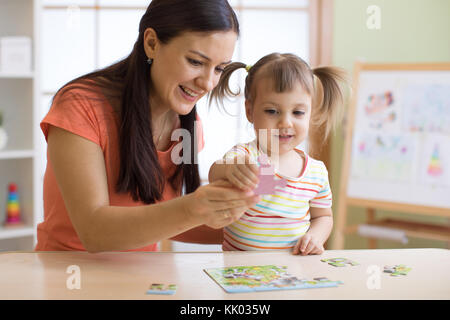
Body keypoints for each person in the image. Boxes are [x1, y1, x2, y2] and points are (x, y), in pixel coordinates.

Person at [36, 0, 260, 253]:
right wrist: (193, 207)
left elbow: (168, 222)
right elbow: (93, 232)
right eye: (196, 62)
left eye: (219, 68)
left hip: (145, 279)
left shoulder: (187, 128)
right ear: (152, 43)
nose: (208, 83)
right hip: (68, 276)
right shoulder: (80, 106)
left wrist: (272, 229)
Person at [208, 53, 348, 255]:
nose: (286, 123)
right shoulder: (245, 155)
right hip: (239, 273)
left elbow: (323, 217)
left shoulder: (316, 173)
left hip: (293, 271)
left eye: (298, 112)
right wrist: (232, 169)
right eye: (272, 111)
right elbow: (215, 172)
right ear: (249, 111)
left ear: (311, 113)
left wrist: (315, 237)